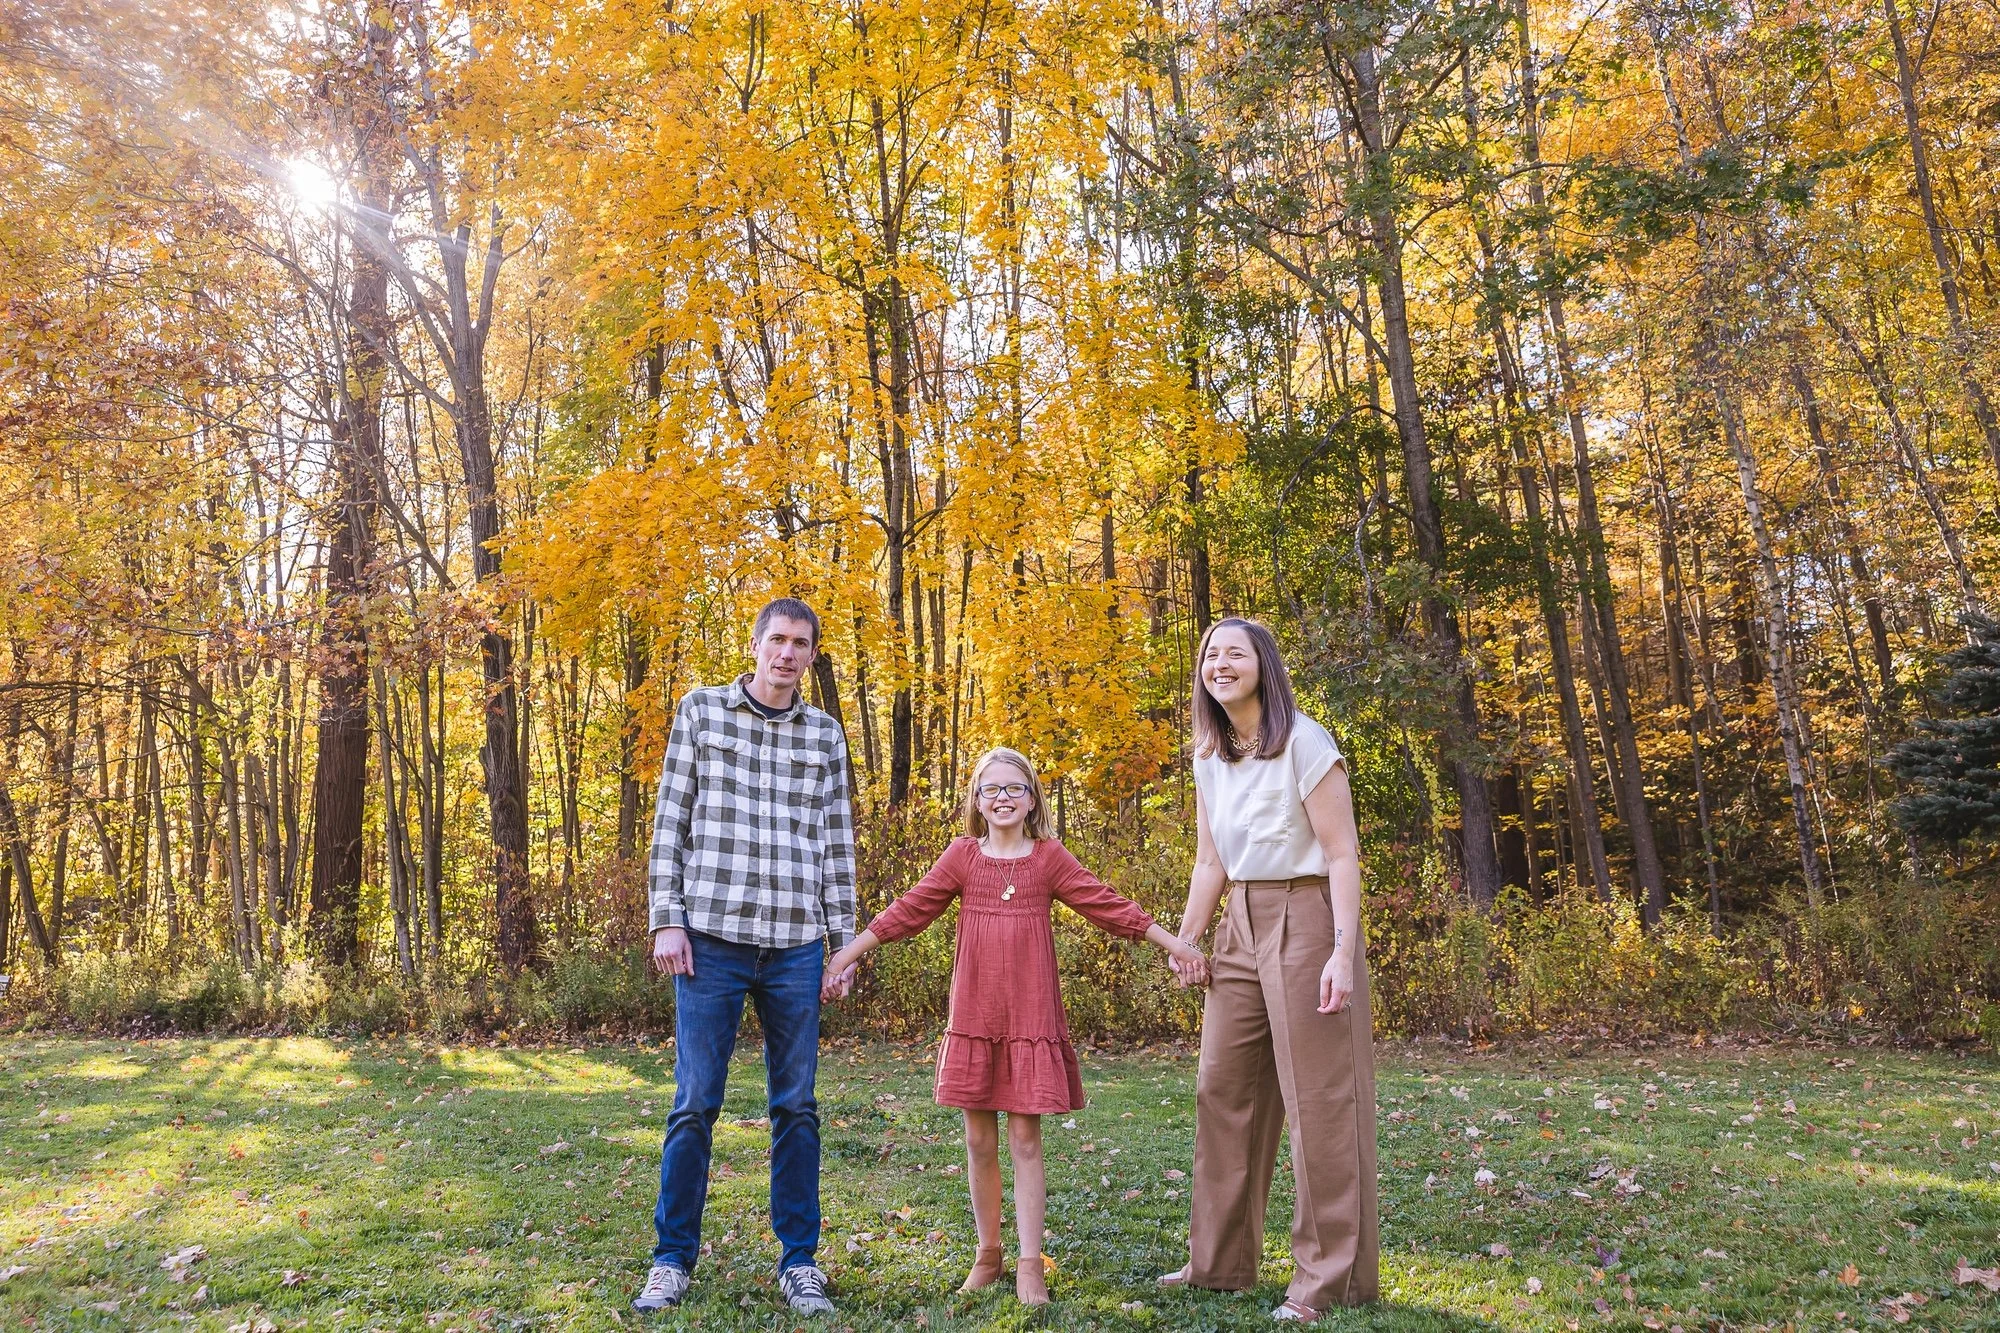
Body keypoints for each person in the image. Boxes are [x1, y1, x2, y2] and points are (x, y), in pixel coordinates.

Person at [823, 747, 1205, 1306]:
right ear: (977, 801)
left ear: (1031, 800)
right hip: (976, 1015)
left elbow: (1106, 904)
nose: (1002, 798)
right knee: (978, 1140)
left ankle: (1030, 1264)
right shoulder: (963, 856)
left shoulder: (1048, 858)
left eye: (1014, 788)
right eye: (991, 789)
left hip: (1029, 1015)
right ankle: (988, 1255)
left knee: (1025, 1139)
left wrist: (1176, 945)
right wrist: (846, 955)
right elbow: (910, 909)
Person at [632, 597, 857, 1318]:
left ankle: (800, 1262)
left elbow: (836, 842)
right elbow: (670, 823)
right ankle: (672, 1260)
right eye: (778, 640)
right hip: (711, 941)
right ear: (755, 644)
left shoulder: (824, 734)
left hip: (796, 945)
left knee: (796, 1106)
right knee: (695, 1102)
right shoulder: (701, 711)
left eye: (801, 644)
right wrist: (667, 920)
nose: (788, 653)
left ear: (812, 656)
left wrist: (843, 943)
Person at [1156, 617, 1378, 1322]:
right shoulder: (1209, 754)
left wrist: (1341, 951)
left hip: (1308, 916)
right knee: (1222, 1087)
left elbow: (1342, 854)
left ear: (1263, 665)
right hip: (1240, 921)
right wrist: (1188, 939)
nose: (1220, 664)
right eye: (1210, 654)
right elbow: (1210, 861)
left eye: (1235, 653)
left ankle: (1330, 1279)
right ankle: (1218, 1262)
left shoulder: (1305, 742)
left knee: (1320, 1099)